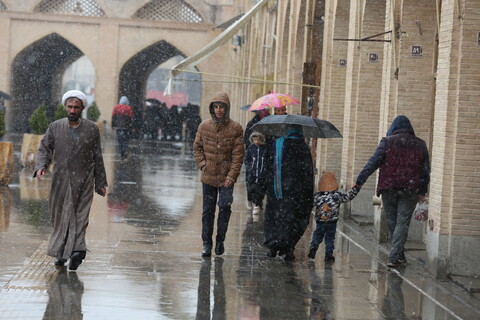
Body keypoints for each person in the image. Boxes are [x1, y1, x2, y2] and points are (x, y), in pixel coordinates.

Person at [34, 90, 108, 270]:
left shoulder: (91, 128)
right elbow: (44, 148)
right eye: (70, 107)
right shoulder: (55, 127)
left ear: (83, 107)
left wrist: (101, 182)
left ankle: (78, 250)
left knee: (80, 217)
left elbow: (97, 155)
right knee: (60, 217)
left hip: (84, 180)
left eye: (76, 107)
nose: (73, 110)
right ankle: (61, 253)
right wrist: (40, 166)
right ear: (65, 107)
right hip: (60, 180)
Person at [356, 115, 430, 268]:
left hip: (389, 187)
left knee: (392, 221)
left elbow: (373, 162)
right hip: (410, 188)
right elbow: (425, 171)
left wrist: (359, 181)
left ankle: (395, 255)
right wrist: (422, 191)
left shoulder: (387, 142)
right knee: (402, 222)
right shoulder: (420, 145)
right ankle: (397, 255)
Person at [193, 92, 245, 257]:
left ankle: (220, 240)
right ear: (212, 109)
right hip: (208, 177)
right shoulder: (204, 126)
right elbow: (197, 147)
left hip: (225, 178)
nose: (219, 110)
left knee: (224, 207)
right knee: (208, 211)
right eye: (216, 107)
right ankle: (206, 243)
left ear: (226, 108)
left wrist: (231, 176)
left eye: (221, 107)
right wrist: (203, 165)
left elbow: (238, 156)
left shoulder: (235, 128)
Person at [263, 125, 313, 261]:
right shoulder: (303, 147)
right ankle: (288, 247)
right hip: (297, 193)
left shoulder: (278, 144)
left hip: (277, 191)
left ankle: (273, 245)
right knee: (293, 219)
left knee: (276, 217)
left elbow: (268, 166)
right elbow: (308, 173)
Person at [308, 171, 361, 261]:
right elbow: (348, 196)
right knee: (330, 238)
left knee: (317, 234)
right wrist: (356, 188)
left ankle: (314, 246)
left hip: (320, 221)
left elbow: (309, 203)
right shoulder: (336, 196)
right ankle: (329, 254)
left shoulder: (317, 196)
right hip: (332, 222)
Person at [243, 109, 269, 209]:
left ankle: (258, 203)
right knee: (251, 186)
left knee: (261, 187)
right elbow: (246, 138)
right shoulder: (252, 124)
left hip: (262, 167)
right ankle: (251, 200)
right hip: (253, 165)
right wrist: (249, 165)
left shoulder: (269, 123)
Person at [244, 132, 268, 214]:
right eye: (255, 139)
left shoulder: (264, 148)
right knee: (251, 189)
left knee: (260, 190)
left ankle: (257, 204)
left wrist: (265, 168)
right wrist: (249, 167)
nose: (257, 141)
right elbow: (247, 159)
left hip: (261, 174)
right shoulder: (251, 148)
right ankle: (250, 200)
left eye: (259, 139)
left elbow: (267, 159)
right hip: (252, 174)